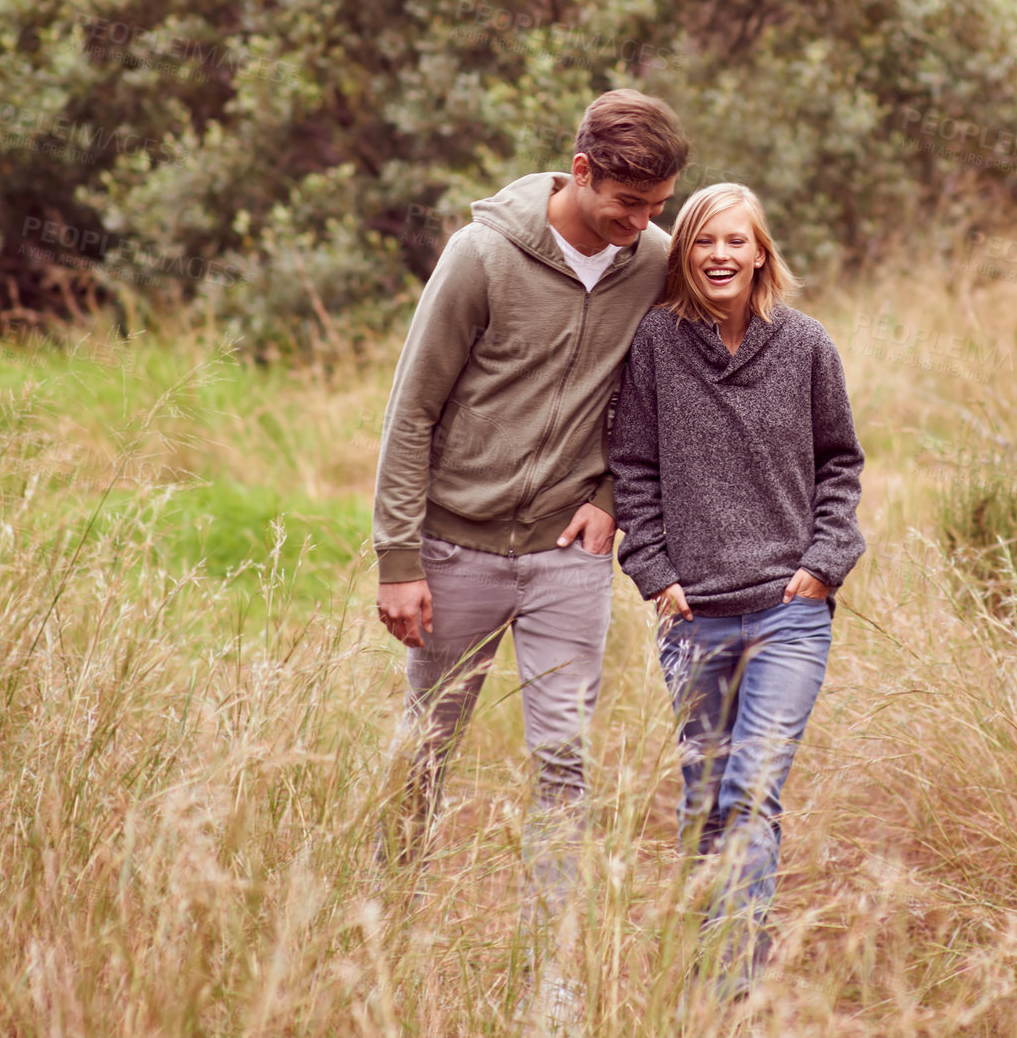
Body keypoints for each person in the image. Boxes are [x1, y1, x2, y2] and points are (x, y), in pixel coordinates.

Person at [370, 90, 688, 993]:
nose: (640, 224)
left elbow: (663, 399)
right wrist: (399, 559)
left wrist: (613, 495)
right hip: (455, 550)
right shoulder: (481, 256)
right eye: (627, 204)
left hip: (567, 558)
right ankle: (384, 929)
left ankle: (546, 974)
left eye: (657, 205)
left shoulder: (653, 262)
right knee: (425, 747)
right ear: (580, 171)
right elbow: (412, 411)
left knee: (564, 758)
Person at [609, 182, 865, 1000]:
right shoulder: (655, 344)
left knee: (752, 789)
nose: (720, 255)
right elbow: (633, 468)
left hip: (790, 614)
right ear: (683, 254)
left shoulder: (806, 346)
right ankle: (702, 959)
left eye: (735, 240)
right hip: (694, 618)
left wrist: (824, 563)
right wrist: (655, 573)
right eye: (703, 241)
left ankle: (732, 988)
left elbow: (841, 463)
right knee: (705, 797)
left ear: (761, 253)